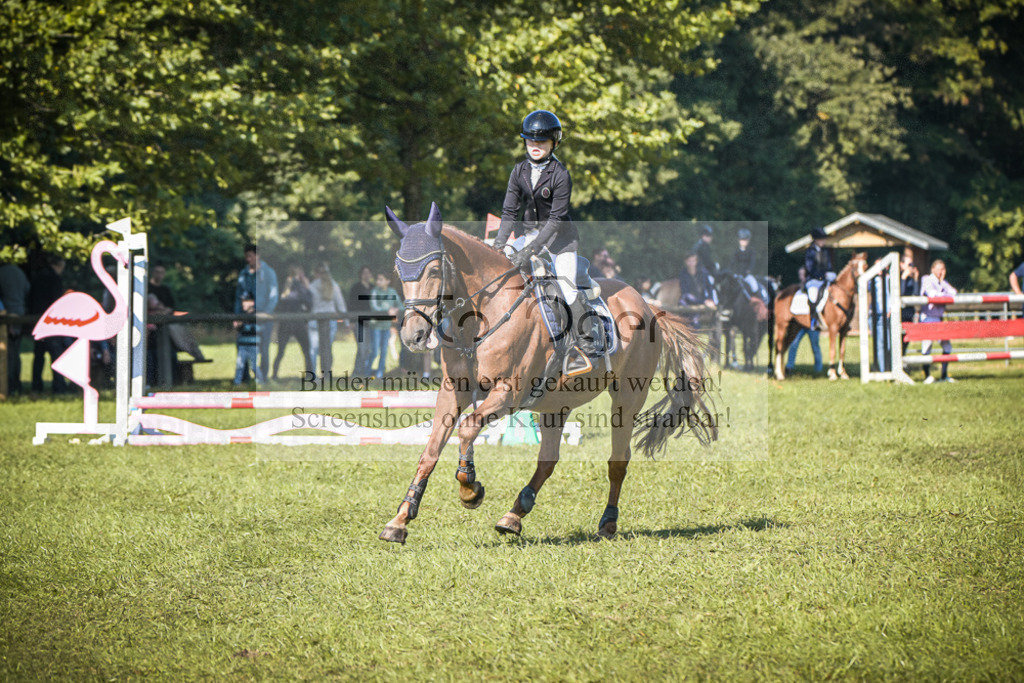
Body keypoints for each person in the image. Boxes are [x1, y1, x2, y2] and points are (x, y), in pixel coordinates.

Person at [492, 109, 596, 375]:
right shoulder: (518, 171)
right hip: (528, 235)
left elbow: (556, 219)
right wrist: (498, 245)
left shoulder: (561, 175)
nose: (535, 146)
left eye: (541, 141)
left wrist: (531, 250)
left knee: (567, 289)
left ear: (554, 143)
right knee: (497, 274)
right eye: (530, 141)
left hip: (560, 242)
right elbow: (508, 212)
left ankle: (580, 348)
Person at [235, 244, 278, 381]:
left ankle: (263, 378)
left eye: (250, 256)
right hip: (246, 317)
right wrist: (237, 316)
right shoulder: (243, 274)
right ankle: (245, 378)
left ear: (257, 255)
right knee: (242, 347)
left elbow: (273, 295)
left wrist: (265, 313)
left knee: (263, 348)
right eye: (246, 256)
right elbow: (238, 296)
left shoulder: (268, 272)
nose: (248, 259)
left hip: (263, 317)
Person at [29, 254, 69, 393]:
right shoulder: (55, 279)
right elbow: (57, 302)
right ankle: (59, 387)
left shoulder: (38, 276)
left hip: (37, 321)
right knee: (55, 354)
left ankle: (36, 386)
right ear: (58, 265)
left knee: (38, 356)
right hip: (51, 322)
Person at [919, 259, 957, 383]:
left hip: (938, 318)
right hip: (928, 317)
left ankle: (944, 375)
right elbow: (932, 294)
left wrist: (942, 286)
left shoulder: (942, 282)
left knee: (947, 345)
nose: (941, 272)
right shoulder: (926, 279)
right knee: (927, 346)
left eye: (943, 269)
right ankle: (927, 376)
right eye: (939, 269)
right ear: (933, 269)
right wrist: (945, 294)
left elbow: (954, 293)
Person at [272, 265, 313, 380]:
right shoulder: (299, 287)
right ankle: (309, 375)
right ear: (299, 274)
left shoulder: (284, 286)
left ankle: (274, 375)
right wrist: (307, 287)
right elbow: (309, 302)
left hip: (285, 322)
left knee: (280, 351)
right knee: (306, 349)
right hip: (298, 322)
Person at [308, 262, 347, 377]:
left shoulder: (312, 285)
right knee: (327, 349)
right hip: (330, 319)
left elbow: (308, 304)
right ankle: (327, 374)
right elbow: (341, 304)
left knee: (313, 350)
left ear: (316, 273)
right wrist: (347, 322)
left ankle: (313, 375)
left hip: (315, 319)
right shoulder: (333, 285)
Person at [786, 266, 823, 374]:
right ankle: (789, 366)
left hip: (812, 324)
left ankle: (818, 369)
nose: (802, 277)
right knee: (793, 344)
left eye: (803, 275)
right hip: (799, 325)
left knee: (815, 347)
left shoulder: (814, 289)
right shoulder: (798, 291)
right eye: (800, 275)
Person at [0, 262, 30, 394]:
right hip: (20, 312)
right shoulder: (20, 273)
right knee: (15, 350)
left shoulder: (2, 273)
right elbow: (27, 289)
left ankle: (10, 383)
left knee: (8, 352)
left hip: (6, 314)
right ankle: (16, 383)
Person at [368, 272, 400, 380]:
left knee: (384, 351)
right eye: (377, 279)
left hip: (386, 326)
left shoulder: (392, 292)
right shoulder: (375, 292)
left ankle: (380, 374)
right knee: (375, 351)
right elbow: (374, 307)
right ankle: (366, 372)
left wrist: (396, 309)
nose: (378, 282)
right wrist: (388, 311)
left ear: (388, 281)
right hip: (376, 326)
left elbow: (400, 306)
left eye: (381, 279)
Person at [803, 227, 834, 330]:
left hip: (825, 279)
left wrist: (829, 273)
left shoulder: (825, 251)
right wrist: (822, 275)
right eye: (821, 239)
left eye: (824, 239)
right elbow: (810, 268)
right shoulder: (810, 251)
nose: (823, 241)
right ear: (816, 240)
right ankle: (813, 321)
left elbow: (828, 265)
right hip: (813, 280)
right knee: (813, 295)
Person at [729, 228, 768, 304]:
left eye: (745, 240)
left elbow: (752, 263)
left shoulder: (751, 251)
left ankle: (760, 301)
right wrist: (733, 272)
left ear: (748, 241)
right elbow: (733, 263)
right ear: (739, 240)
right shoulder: (736, 252)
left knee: (754, 286)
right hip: (737, 275)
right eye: (742, 240)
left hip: (747, 275)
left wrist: (748, 271)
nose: (743, 242)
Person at [349, 265, 375, 377]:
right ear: (360, 274)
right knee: (362, 348)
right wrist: (351, 321)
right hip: (359, 322)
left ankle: (363, 371)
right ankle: (357, 372)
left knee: (369, 349)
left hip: (372, 323)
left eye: (368, 272)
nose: (367, 275)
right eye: (364, 273)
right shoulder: (356, 288)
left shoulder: (373, 288)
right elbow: (350, 305)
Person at [234, 292, 264, 385]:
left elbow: (260, 328)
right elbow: (238, 328)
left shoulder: (257, 314)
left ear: (252, 302)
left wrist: (245, 326)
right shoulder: (241, 315)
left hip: (253, 345)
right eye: (243, 301)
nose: (243, 303)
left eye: (246, 301)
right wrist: (238, 326)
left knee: (254, 366)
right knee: (239, 365)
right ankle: (237, 384)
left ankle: (261, 383)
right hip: (243, 345)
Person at [899, 250, 920, 355]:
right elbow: (900, 294)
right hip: (899, 314)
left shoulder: (911, 280)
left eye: (912, 265)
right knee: (898, 340)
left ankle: (903, 358)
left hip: (909, 313)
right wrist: (903, 278)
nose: (910, 267)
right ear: (902, 265)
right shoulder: (897, 277)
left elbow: (916, 295)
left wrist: (916, 279)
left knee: (906, 339)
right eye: (908, 264)